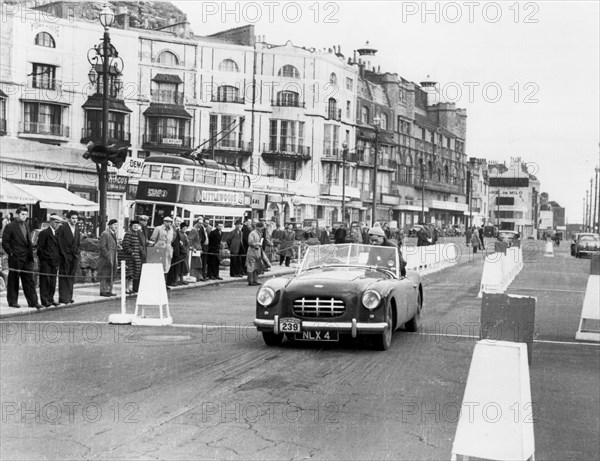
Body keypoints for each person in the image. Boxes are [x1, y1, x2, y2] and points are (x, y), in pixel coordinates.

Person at [1, 206, 43, 309]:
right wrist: (11, 253)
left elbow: (28, 241)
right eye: (22, 214)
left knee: (29, 280)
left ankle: (33, 302)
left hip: (27, 258)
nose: (24, 216)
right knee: (13, 280)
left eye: (26, 215)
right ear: (17, 214)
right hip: (16, 257)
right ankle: (12, 301)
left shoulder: (26, 225)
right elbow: (5, 242)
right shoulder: (10, 226)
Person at [37, 214, 63, 307]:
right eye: (56, 223)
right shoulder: (44, 233)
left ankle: (50, 299)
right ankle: (45, 300)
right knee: (45, 281)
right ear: (51, 222)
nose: (58, 225)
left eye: (59, 223)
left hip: (54, 262)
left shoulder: (57, 233)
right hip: (46, 262)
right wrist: (46, 258)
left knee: (52, 281)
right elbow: (40, 249)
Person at [56, 210, 81, 304]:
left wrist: (77, 252)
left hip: (74, 256)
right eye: (73, 218)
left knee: (71, 276)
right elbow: (59, 242)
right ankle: (63, 297)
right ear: (68, 219)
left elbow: (78, 242)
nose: (74, 220)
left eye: (76, 218)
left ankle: (69, 296)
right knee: (64, 277)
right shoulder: (62, 228)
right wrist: (63, 254)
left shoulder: (77, 229)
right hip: (65, 256)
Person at [149, 216, 175, 287]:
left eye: (170, 222)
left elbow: (172, 238)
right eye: (167, 222)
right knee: (159, 266)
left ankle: (164, 283)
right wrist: (153, 248)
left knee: (167, 266)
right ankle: (157, 283)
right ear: (164, 222)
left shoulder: (171, 230)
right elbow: (153, 238)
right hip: (159, 248)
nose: (168, 223)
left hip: (168, 249)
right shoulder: (158, 228)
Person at [98, 219, 119, 297]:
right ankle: (103, 290)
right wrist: (107, 255)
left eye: (116, 225)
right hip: (106, 257)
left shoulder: (114, 233)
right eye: (114, 225)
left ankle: (109, 290)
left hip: (112, 256)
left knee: (111, 273)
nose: (116, 226)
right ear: (110, 225)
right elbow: (102, 246)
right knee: (104, 273)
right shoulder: (105, 233)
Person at [122, 220, 143, 294]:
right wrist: (131, 252)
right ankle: (126, 288)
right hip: (129, 257)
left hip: (135, 257)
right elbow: (125, 245)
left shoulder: (136, 234)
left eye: (137, 226)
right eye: (134, 226)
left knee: (133, 274)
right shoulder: (128, 234)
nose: (136, 227)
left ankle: (129, 288)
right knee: (128, 274)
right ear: (131, 226)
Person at [246, 221, 265, 286]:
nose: (261, 229)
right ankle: (250, 281)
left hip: (258, 251)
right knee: (251, 266)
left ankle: (255, 280)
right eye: (260, 228)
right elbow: (250, 242)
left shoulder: (260, 233)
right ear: (256, 227)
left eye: (261, 228)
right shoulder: (252, 233)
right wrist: (257, 244)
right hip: (252, 251)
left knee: (257, 266)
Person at [167, 217, 184, 287]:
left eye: (180, 222)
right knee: (172, 266)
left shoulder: (177, 229)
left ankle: (174, 280)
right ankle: (170, 281)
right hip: (172, 250)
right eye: (177, 221)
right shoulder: (171, 229)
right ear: (174, 221)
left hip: (177, 250)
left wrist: (180, 242)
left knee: (175, 266)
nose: (179, 223)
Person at [178, 221, 190, 285]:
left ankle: (182, 279)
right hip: (182, 252)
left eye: (186, 228)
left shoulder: (185, 234)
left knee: (184, 266)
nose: (185, 229)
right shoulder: (179, 234)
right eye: (184, 227)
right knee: (181, 266)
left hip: (185, 252)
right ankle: (179, 279)